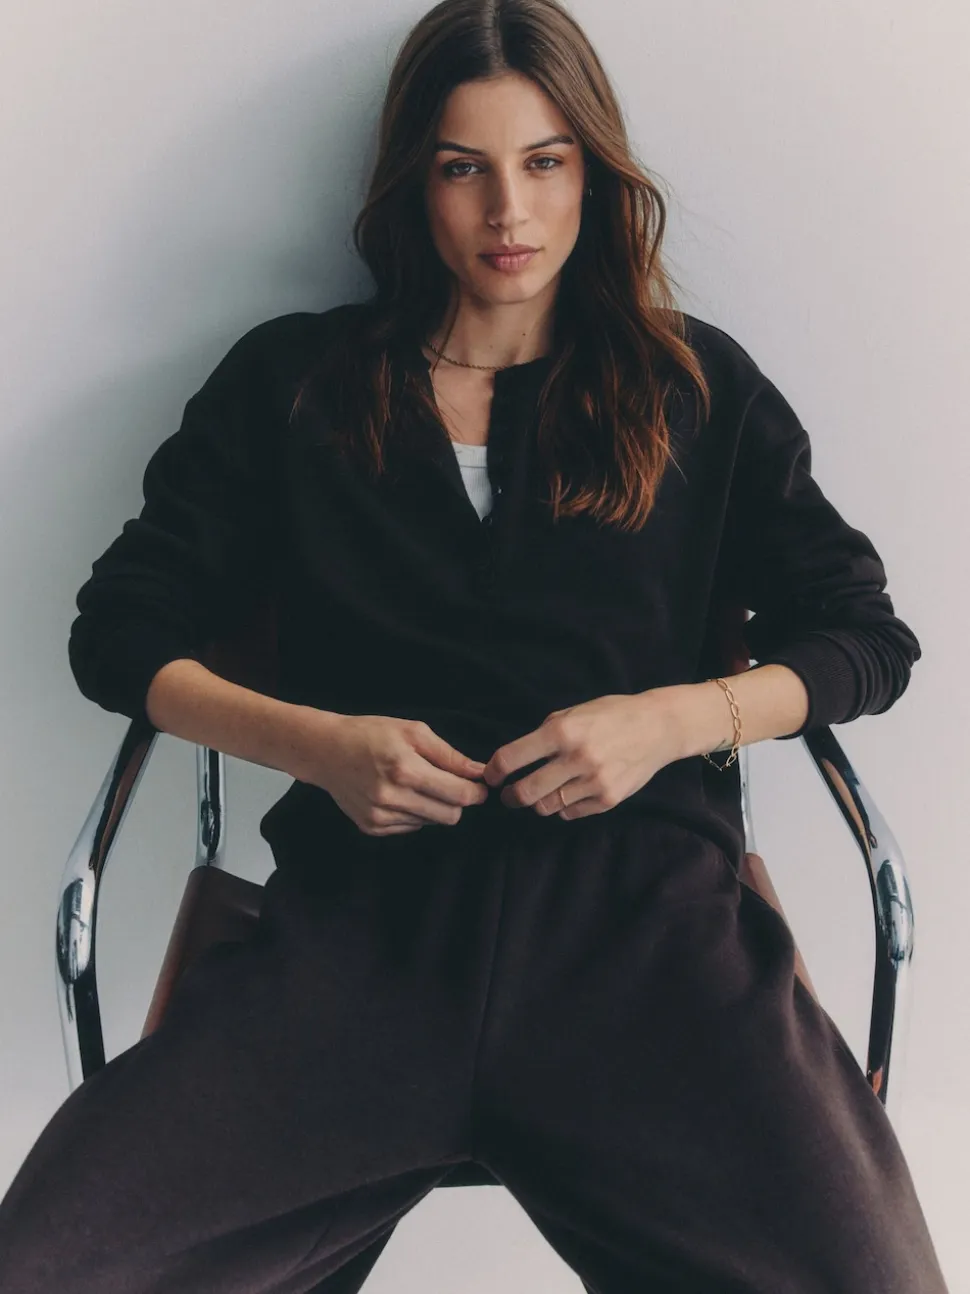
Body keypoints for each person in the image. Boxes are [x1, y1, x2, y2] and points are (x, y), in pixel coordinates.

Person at [0, 0, 950, 1290]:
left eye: (545, 162)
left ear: (594, 175)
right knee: (45, 1265)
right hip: (359, 940)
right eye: (464, 168)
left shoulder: (693, 388)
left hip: (646, 936)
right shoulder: (293, 384)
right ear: (414, 183)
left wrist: (671, 720)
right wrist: (318, 747)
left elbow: (864, 635)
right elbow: (119, 629)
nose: (510, 211)